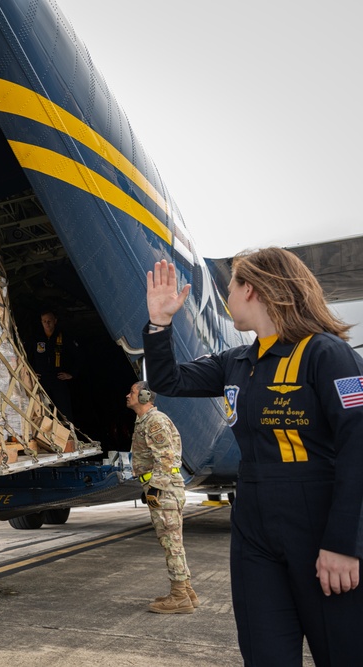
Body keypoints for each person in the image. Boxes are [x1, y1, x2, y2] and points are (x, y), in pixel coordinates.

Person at [144, 251, 363, 665]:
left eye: (230, 288)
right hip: (254, 525)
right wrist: (159, 324)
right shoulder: (237, 362)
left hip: (317, 519)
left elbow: (359, 445)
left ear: (251, 289)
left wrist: (344, 544)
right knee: (264, 653)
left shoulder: (327, 354)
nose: (227, 298)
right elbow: (167, 380)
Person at [127, 380, 197, 614]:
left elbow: (166, 458)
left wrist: (155, 488)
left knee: (171, 542)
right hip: (162, 487)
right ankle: (186, 591)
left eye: (133, 392)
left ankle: (179, 597)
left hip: (164, 488)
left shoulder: (155, 421)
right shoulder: (145, 421)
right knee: (173, 541)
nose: (128, 396)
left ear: (146, 396)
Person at [31, 309, 80, 419]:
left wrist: (71, 374)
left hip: (58, 378)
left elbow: (77, 357)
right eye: (44, 321)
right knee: (41, 410)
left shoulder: (64, 337)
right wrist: (31, 373)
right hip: (41, 379)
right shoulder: (36, 338)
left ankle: (67, 434)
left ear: (55, 321)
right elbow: (27, 356)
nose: (47, 323)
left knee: (64, 412)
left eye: (49, 321)